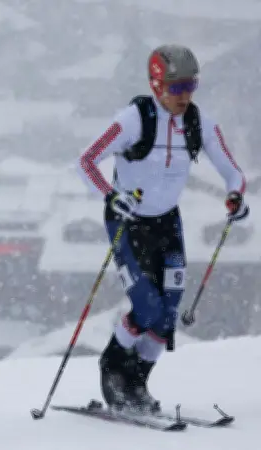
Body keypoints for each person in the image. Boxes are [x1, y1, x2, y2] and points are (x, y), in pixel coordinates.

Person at [76, 44, 249, 412]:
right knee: (147, 306)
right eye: (175, 88)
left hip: (168, 223)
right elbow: (86, 160)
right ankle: (113, 370)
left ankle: (137, 384)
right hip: (128, 223)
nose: (184, 95)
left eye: (191, 86)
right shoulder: (134, 120)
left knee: (167, 316)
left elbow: (233, 172)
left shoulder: (198, 122)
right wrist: (109, 195)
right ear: (156, 85)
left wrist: (235, 197)